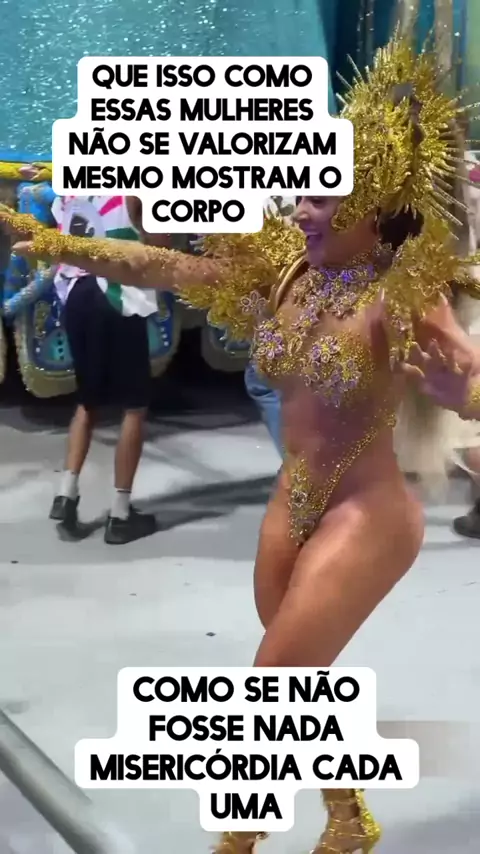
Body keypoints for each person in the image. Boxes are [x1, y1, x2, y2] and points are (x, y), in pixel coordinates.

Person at [3, 32, 480, 853]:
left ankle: (236, 841)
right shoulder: (290, 272)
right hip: (290, 501)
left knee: (271, 689)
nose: (301, 210)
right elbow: (166, 270)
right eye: (303, 194)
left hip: (367, 515)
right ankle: (347, 816)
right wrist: (62, 246)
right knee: (300, 678)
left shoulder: (405, 294)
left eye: (321, 199)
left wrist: (462, 393)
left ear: (371, 210)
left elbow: (467, 376)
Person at [47, 195, 159, 544]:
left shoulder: (70, 191)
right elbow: (159, 244)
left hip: (77, 295)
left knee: (87, 402)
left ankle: (66, 492)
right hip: (116, 296)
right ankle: (120, 515)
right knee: (135, 406)